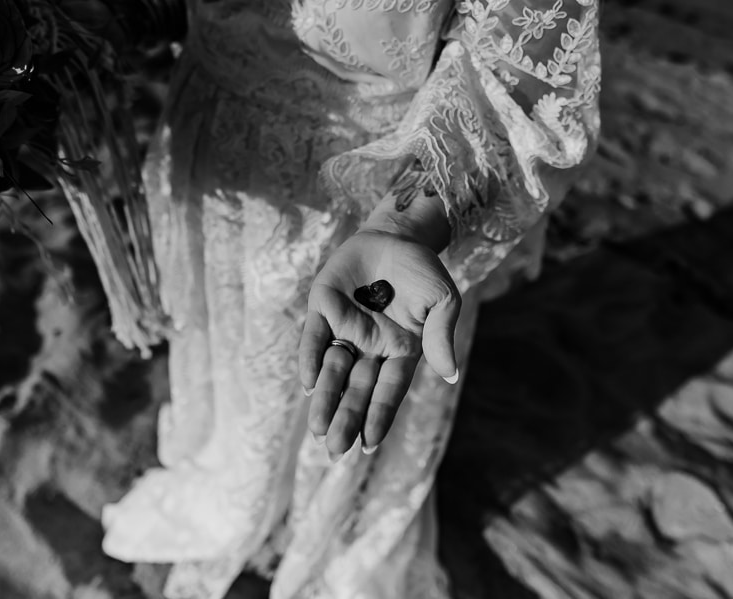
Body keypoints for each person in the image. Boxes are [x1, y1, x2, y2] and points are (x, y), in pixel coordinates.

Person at [102, 1, 601, 597]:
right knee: (240, 366)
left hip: (382, 179)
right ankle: (241, 500)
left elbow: (523, 61)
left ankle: (322, 527)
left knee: (340, 389)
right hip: (214, 145)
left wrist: (403, 225)